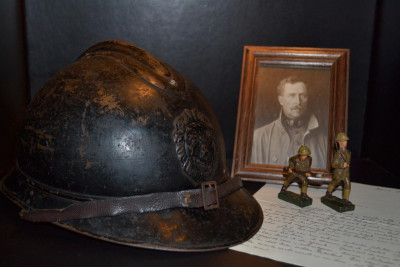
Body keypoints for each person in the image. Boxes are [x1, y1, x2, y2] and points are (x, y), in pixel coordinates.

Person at [251, 76, 327, 169]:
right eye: (291, 96)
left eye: (303, 96)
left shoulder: (324, 140)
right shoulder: (259, 137)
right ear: (281, 100)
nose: (298, 101)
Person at [325, 133, 352, 203]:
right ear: (340, 142)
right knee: (334, 183)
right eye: (344, 141)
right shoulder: (338, 154)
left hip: (346, 173)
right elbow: (333, 164)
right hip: (339, 173)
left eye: (346, 141)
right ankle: (329, 192)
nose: (346, 142)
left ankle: (345, 199)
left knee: (348, 184)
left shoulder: (348, 152)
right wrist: (342, 165)